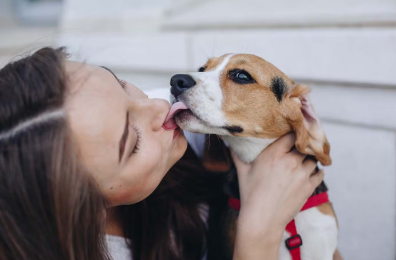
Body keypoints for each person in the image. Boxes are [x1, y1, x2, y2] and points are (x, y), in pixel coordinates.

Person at [0, 47, 323, 260]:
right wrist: (257, 234)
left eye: (122, 85)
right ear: (89, 209)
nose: (158, 105)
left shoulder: (169, 120)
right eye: (134, 140)